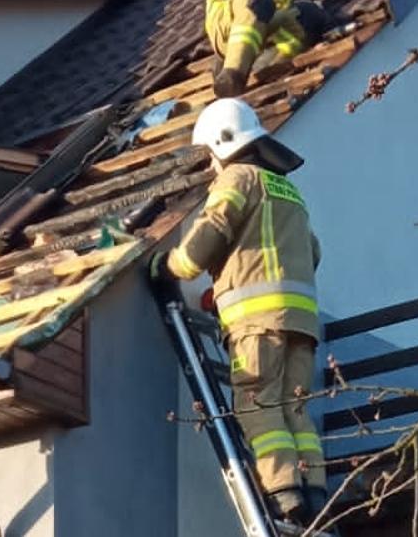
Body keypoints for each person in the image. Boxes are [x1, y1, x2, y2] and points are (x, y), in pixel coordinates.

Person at [161, 98, 327, 524]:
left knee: (258, 404)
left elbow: (214, 229)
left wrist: (172, 267)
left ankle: (285, 492)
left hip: (257, 325)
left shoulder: (237, 178)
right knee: (295, 410)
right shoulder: (288, 189)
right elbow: (312, 251)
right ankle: (315, 490)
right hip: (302, 324)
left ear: (220, 144)